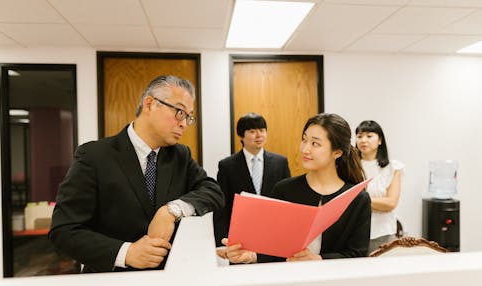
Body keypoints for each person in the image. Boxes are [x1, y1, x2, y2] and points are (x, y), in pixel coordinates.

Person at [49, 75, 224, 273]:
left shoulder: (179, 156)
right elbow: (64, 231)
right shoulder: (94, 156)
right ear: (150, 104)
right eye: (179, 112)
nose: (184, 123)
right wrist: (127, 252)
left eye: (188, 117)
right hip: (111, 283)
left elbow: (213, 191)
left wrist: (172, 210)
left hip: (168, 280)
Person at [218, 113, 371, 263]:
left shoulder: (357, 198)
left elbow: (357, 254)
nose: (305, 149)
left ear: (337, 152)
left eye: (315, 143)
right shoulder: (284, 190)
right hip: (287, 283)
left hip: (334, 285)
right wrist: (251, 256)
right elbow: (273, 247)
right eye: (304, 140)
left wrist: (318, 259)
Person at [213, 113, 291, 246]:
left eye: (262, 130)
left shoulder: (280, 162)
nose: (259, 135)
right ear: (241, 136)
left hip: (274, 233)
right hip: (240, 235)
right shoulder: (227, 166)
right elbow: (222, 206)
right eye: (252, 131)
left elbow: (288, 201)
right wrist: (221, 241)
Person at [355, 120, 404, 253]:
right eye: (359, 136)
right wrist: (377, 203)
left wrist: (360, 201)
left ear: (380, 140)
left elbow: (391, 203)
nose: (363, 140)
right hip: (355, 232)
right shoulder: (351, 167)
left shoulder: (393, 167)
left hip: (383, 232)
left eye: (369, 136)